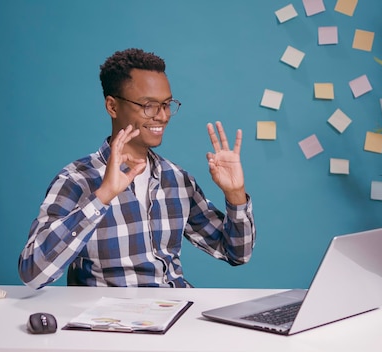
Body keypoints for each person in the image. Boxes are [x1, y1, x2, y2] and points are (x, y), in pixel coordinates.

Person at [18, 48, 256, 289]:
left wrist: (235, 194)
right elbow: (32, 273)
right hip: (107, 321)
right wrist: (103, 196)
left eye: (166, 104)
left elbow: (237, 253)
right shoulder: (76, 180)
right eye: (149, 105)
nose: (162, 116)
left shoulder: (176, 180)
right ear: (112, 106)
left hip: (174, 312)